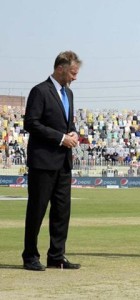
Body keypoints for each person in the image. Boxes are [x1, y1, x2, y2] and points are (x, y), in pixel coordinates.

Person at [22, 51, 82, 271]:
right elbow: (31, 123)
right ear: (60, 68)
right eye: (73, 73)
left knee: (61, 212)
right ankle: (30, 256)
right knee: (36, 210)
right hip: (43, 162)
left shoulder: (69, 94)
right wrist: (60, 138)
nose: (75, 77)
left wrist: (73, 133)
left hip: (63, 163)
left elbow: (67, 124)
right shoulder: (40, 91)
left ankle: (56, 255)